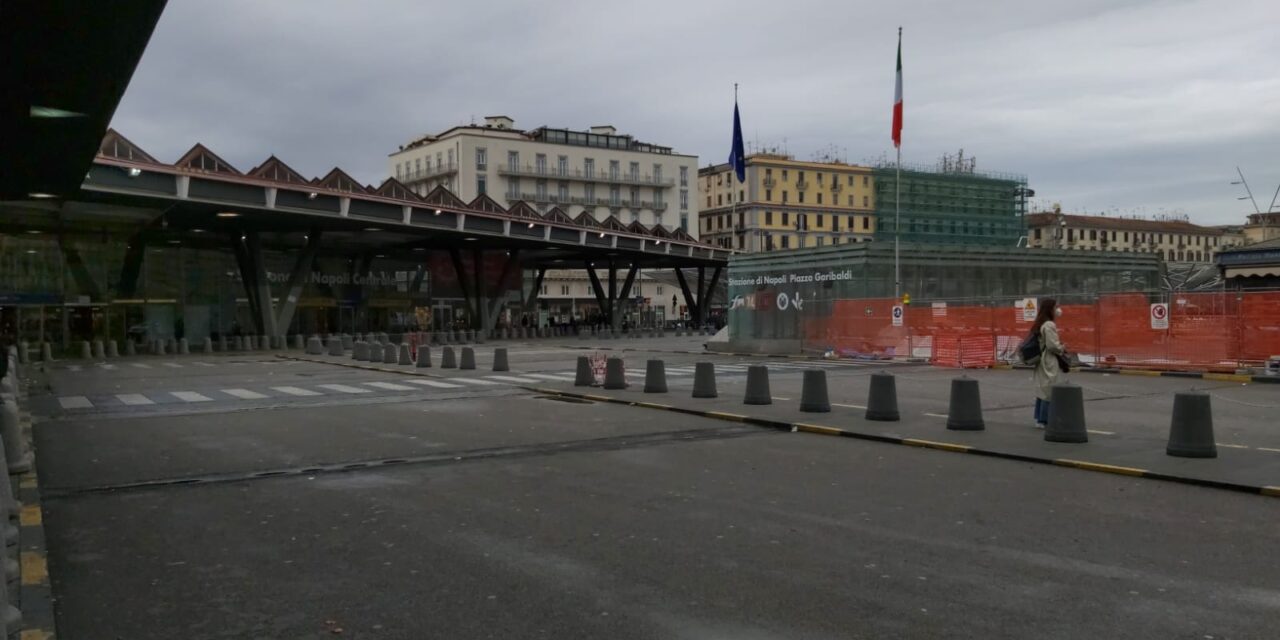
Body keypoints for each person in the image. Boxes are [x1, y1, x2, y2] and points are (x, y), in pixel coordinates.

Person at [1031, 298, 1066, 428]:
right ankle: (1044, 420)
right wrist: (1061, 347)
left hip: (1041, 360)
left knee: (1042, 389)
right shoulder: (1049, 325)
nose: (1058, 309)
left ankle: (1039, 418)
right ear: (1050, 308)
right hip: (1049, 360)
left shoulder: (1040, 323)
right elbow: (1052, 346)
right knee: (1049, 390)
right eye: (1056, 306)